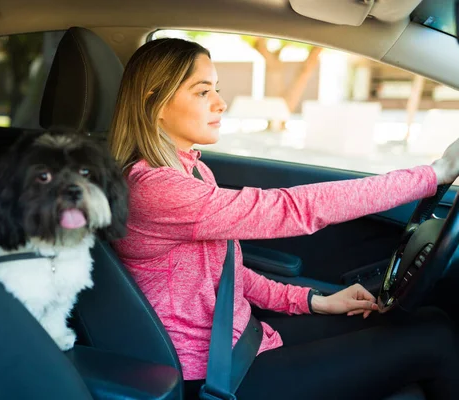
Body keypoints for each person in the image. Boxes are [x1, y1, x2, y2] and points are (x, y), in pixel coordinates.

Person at [107, 37, 459, 400]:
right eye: (202, 92)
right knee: (436, 336)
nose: (220, 102)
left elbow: (223, 272)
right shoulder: (153, 187)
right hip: (214, 375)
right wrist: (434, 174)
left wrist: (312, 300)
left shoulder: (191, 169)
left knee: (403, 321)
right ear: (155, 102)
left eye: (217, 89)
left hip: (241, 340)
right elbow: (293, 209)